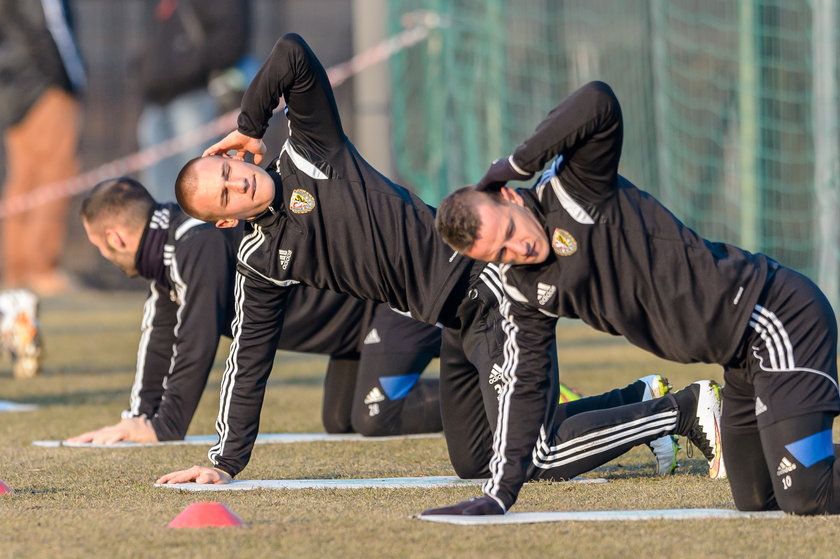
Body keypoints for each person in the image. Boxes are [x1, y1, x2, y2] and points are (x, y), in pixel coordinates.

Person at [156, 35, 719, 490]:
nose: (237, 182)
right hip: (453, 325)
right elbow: (249, 359)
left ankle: (684, 410)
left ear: (234, 157)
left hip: (494, 291)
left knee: (535, 456)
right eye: (225, 196)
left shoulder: (310, 150)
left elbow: (291, 55)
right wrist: (224, 461)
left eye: (229, 171)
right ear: (225, 221)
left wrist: (251, 123)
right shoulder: (260, 262)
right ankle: (637, 400)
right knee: (477, 460)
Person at [433, 81, 840, 516]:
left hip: (772, 318)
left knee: (805, 492)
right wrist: (500, 494)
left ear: (511, 196)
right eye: (500, 253)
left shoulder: (575, 189)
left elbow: (598, 101)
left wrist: (516, 162)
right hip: (739, 361)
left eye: (511, 231)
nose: (518, 250)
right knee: (756, 498)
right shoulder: (523, 288)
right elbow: (523, 388)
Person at [69, 176, 443, 444]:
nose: (103, 254)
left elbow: (195, 340)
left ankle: (482, 388)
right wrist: (139, 417)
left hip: (395, 302)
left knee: (375, 416)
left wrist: (164, 426)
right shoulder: (171, 254)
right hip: (355, 329)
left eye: (97, 245)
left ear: (113, 238)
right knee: (341, 420)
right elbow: (161, 336)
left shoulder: (197, 240)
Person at [0, 0, 85, 295]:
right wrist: (65, 81)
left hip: (12, 89)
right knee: (54, 176)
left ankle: (17, 269)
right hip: (41, 88)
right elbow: (51, 32)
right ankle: (41, 268)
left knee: (22, 179)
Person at [135, 0, 251, 202]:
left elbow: (231, 38)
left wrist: (184, 68)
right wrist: (143, 72)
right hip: (157, 99)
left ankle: (201, 233)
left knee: (200, 189)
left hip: (197, 96)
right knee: (159, 196)